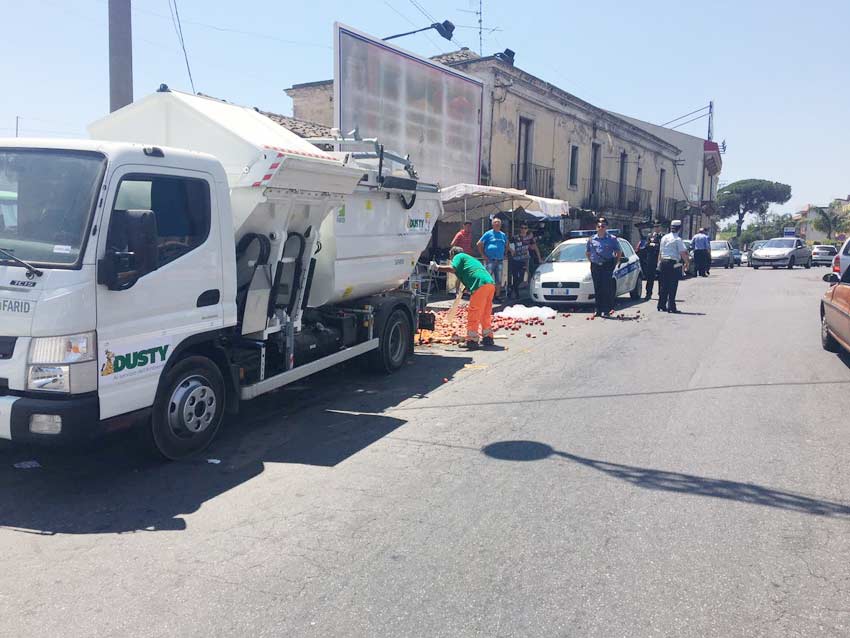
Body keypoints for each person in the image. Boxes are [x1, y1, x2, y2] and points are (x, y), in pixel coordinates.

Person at [430, 246, 496, 349]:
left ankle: (472, 339)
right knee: (485, 313)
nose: (452, 260)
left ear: (452, 255)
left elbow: (452, 268)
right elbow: (468, 274)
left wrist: (437, 267)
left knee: (474, 312)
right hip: (489, 283)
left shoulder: (458, 256)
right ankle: (488, 337)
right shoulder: (469, 258)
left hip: (480, 284)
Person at [585, 216, 622, 317]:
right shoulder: (591, 239)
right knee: (597, 287)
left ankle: (606, 310)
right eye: (599, 226)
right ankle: (598, 309)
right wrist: (592, 262)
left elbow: (618, 252)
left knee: (606, 288)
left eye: (603, 226)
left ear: (606, 227)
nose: (601, 227)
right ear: (596, 227)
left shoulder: (612, 239)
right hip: (595, 266)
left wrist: (615, 263)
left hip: (607, 265)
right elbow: (588, 253)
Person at [657, 219, 690, 313]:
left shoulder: (664, 238)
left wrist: (658, 263)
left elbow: (660, 252)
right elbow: (682, 253)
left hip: (663, 262)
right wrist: (687, 263)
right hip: (673, 263)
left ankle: (661, 305)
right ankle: (672, 306)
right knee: (672, 285)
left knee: (663, 284)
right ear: (679, 228)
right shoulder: (678, 239)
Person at [477, 217, 510, 301]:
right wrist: (483, 255)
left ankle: (497, 296)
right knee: (487, 279)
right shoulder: (488, 233)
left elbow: (507, 244)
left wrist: (505, 253)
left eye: (498, 223)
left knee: (498, 279)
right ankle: (484, 296)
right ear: (492, 224)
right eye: (495, 223)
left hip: (499, 260)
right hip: (490, 260)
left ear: (500, 225)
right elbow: (479, 243)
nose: (497, 224)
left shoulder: (503, 235)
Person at [509, 222, 542, 299]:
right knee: (515, 277)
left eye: (525, 228)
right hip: (515, 259)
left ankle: (512, 288)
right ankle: (516, 293)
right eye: (522, 228)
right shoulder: (515, 237)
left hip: (524, 260)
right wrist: (511, 250)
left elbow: (535, 247)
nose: (523, 229)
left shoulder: (529, 238)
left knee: (521, 277)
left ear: (527, 230)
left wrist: (539, 258)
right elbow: (507, 244)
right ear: (520, 229)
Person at [637, 220, 663, 299]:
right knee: (650, 277)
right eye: (655, 227)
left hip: (659, 259)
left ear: (660, 227)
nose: (656, 228)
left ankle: (661, 294)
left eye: (658, 227)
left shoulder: (663, 237)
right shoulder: (650, 236)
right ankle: (648, 293)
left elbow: (661, 247)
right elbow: (647, 246)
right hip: (651, 259)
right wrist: (654, 245)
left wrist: (654, 245)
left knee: (661, 278)